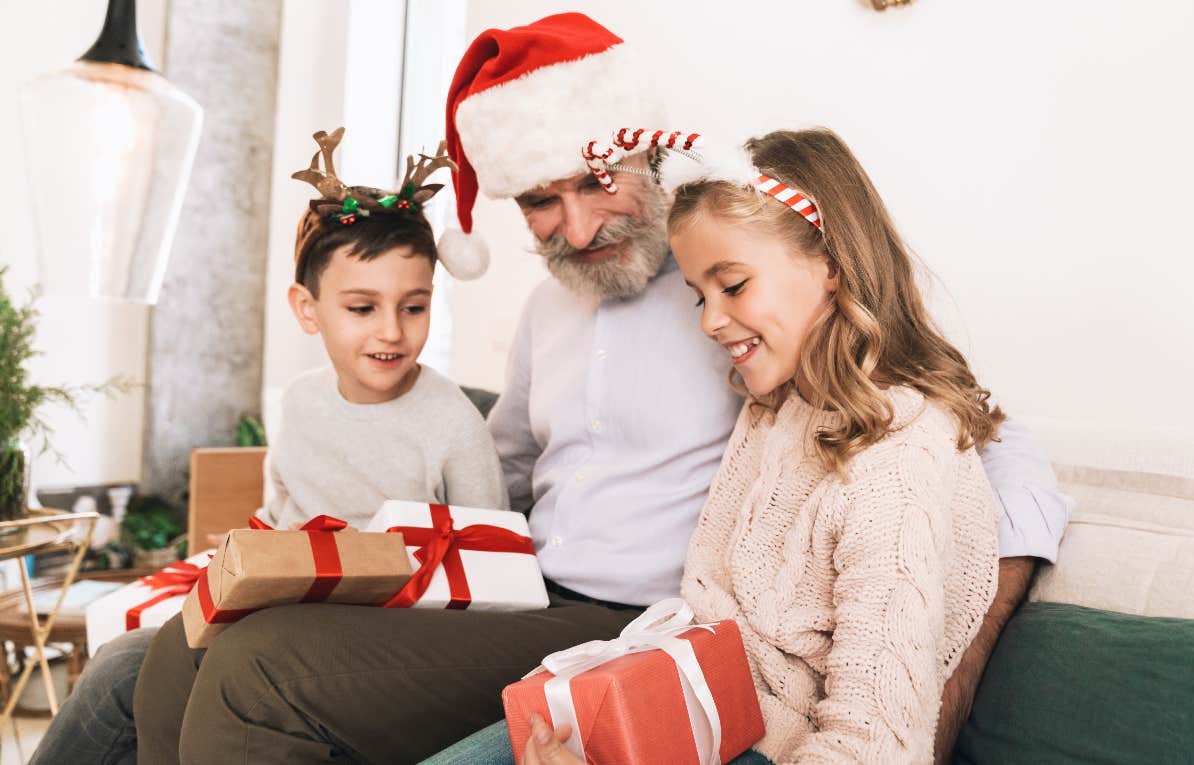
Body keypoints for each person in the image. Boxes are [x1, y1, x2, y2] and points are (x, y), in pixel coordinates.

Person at [121, 13, 1065, 765]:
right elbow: (503, 489)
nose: (575, 230)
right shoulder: (557, 314)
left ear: (643, 158)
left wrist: (985, 615)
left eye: (594, 181)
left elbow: (943, 426)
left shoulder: (755, 315)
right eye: (539, 200)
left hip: (627, 616)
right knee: (183, 645)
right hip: (517, 588)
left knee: (256, 668)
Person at [432, 127, 1004, 764]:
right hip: (678, 699)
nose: (708, 320)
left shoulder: (898, 459)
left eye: (732, 286)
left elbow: (873, 748)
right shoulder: (775, 407)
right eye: (698, 294)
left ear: (835, 266)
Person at [27, 131, 507, 765]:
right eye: (362, 307)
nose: (392, 331)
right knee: (123, 666)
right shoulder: (301, 404)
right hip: (285, 615)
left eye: (413, 308)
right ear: (307, 310)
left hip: (380, 646)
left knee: (202, 673)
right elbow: (279, 522)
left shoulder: (454, 425)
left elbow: (497, 579)